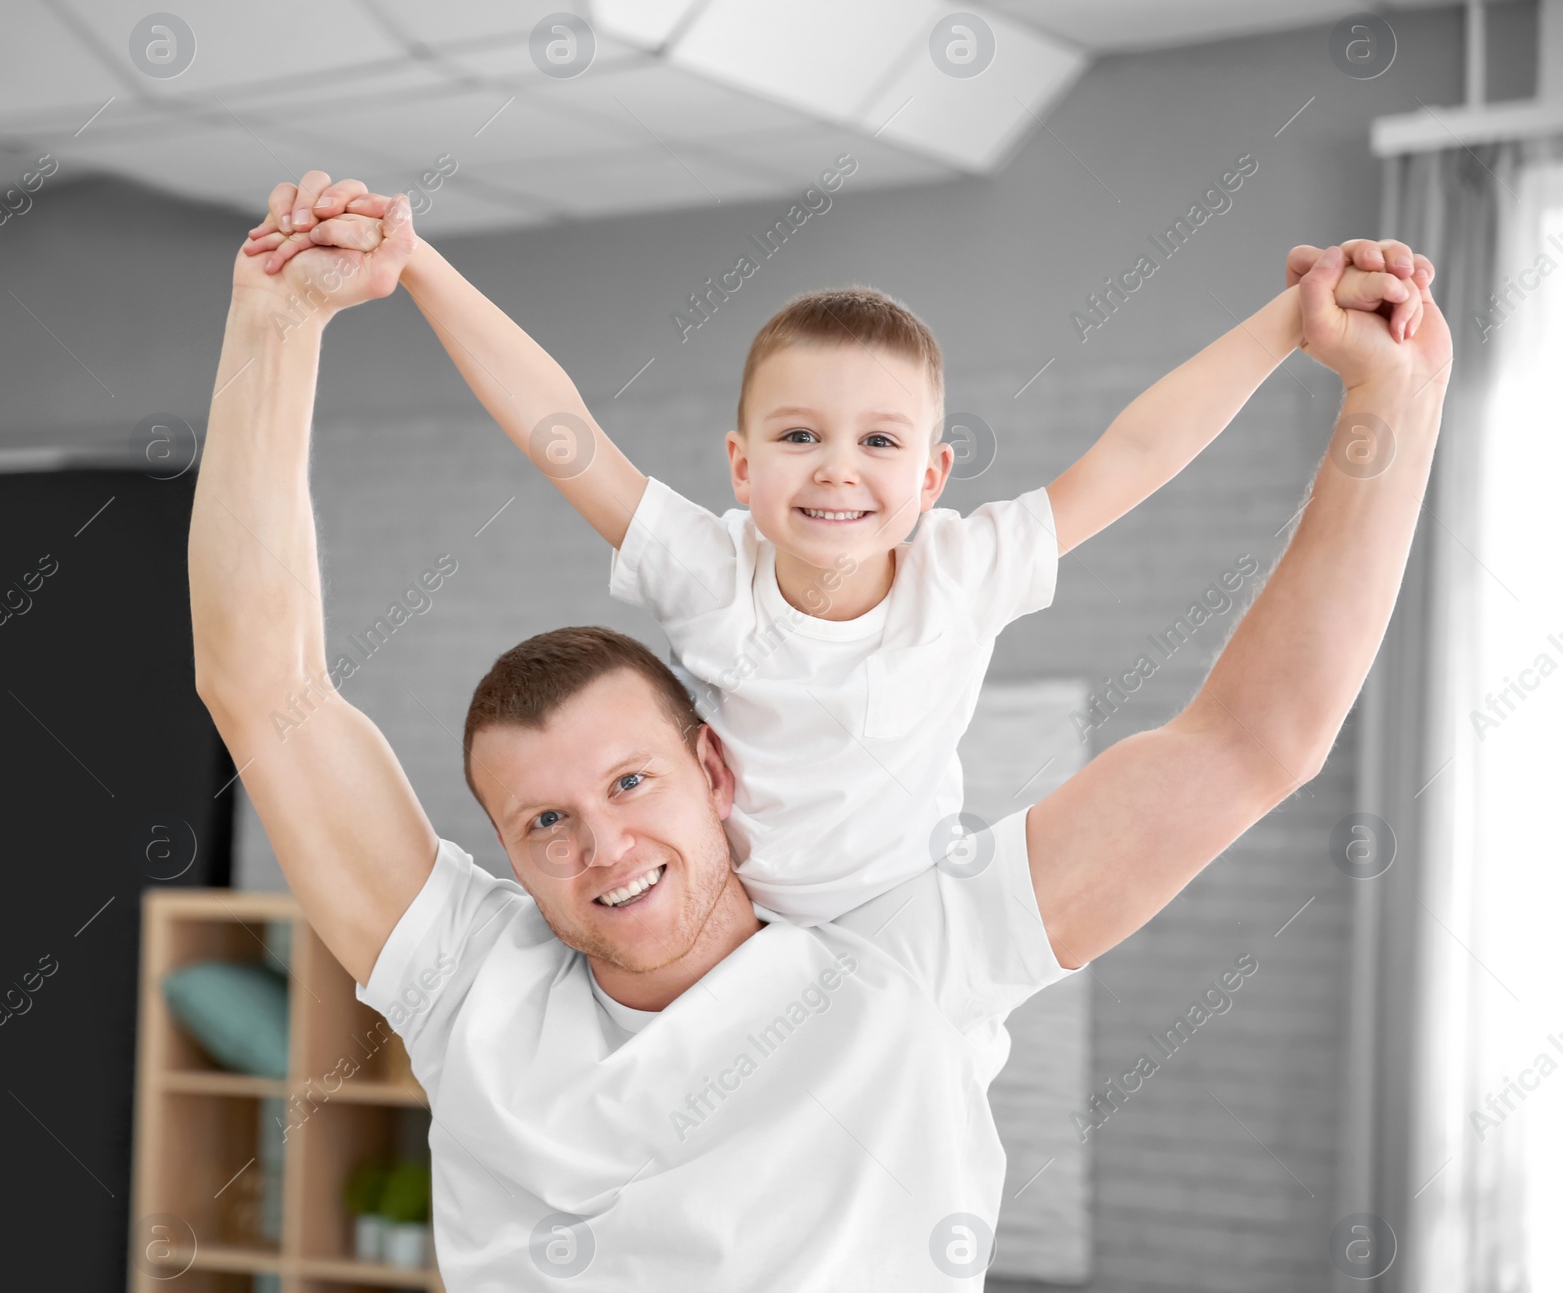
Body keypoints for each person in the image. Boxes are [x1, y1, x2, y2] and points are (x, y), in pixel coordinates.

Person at [190, 178, 1450, 1289]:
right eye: (544, 822)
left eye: (631, 781)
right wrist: (276, 322)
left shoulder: (905, 959)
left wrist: (1391, 399)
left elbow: (1252, 741)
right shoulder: (474, 985)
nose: (603, 843)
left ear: (715, 768)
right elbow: (263, 688)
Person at [246, 178, 1434, 923]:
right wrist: (423, 268)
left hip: (912, 924)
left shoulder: (960, 571)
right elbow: (565, 433)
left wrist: (1287, 324)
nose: (835, 469)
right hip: (735, 933)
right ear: (741, 466)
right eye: (800, 436)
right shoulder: (707, 569)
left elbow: (1132, 453)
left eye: (877, 442)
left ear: (930, 479)